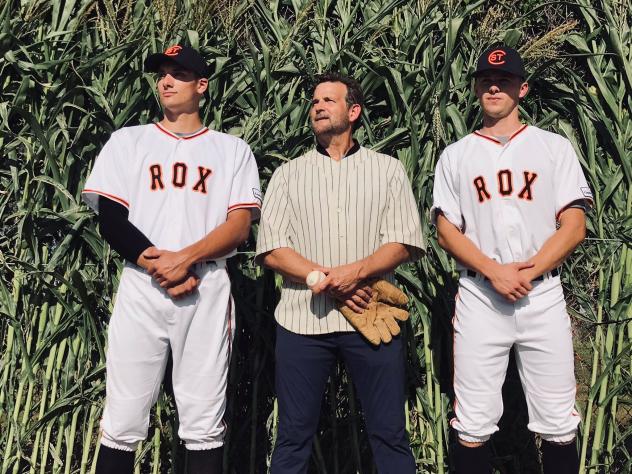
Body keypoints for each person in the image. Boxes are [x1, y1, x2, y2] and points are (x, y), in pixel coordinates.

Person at [82, 45, 261, 474]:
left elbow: (239, 227)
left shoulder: (231, 150)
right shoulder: (128, 141)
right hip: (142, 287)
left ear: (201, 85)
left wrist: (184, 260)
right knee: (122, 418)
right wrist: (160, 266)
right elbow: (111, 219)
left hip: (205, 288)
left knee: (203, 420)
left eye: (178, 73)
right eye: (162, 73)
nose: (166, 81)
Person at [431, 45, 593, 473]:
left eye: (503, 80)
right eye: (485, 80)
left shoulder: (553, 148)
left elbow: (574, 225)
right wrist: (494, 272)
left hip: (541, 295)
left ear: (522, 88)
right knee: (473, 421)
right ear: (476, 89)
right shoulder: (457, 154)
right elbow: (446, 229)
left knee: (559, 419)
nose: (493, 86)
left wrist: (528, 271)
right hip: (481, 294)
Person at [255, 72, 424, 473]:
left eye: (328, 100)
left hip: (371, 318)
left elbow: (403, 242)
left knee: (389, 433)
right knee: (293, 436)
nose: (317, 106)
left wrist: (355, 273)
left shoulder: (387, 170)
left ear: (354, 111)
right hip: (301, 323)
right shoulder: (288, 175)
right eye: (314, 101)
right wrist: (329, 282)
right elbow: (272, 250)